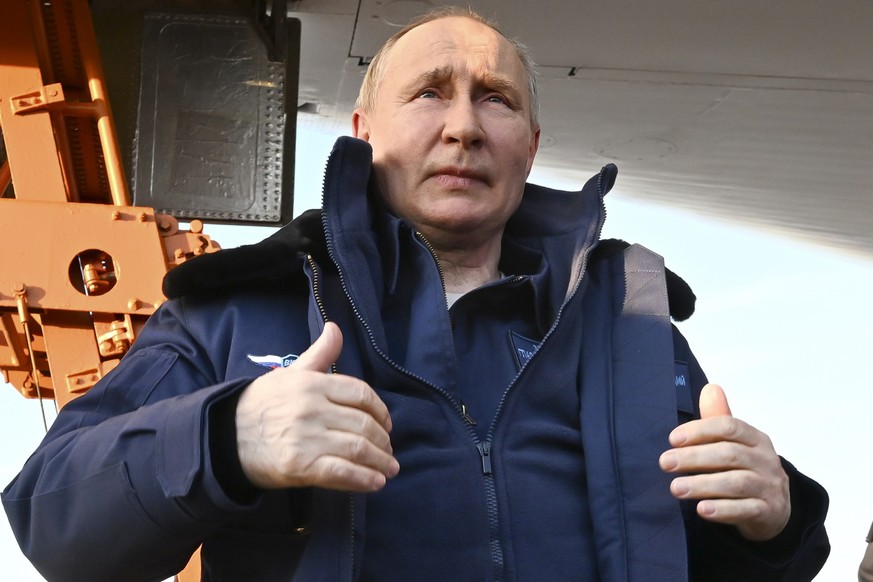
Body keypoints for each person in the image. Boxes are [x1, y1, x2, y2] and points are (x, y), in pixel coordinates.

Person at [3, 7, 829, 581]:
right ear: (363, 135)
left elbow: (724, 560)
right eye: (429, 92)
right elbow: (53, 523)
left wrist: (775, 521)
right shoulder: (233, 309)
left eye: (494, 99)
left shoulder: (632, 324)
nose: (463, 125)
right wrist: (224, 437)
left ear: (530, 146)